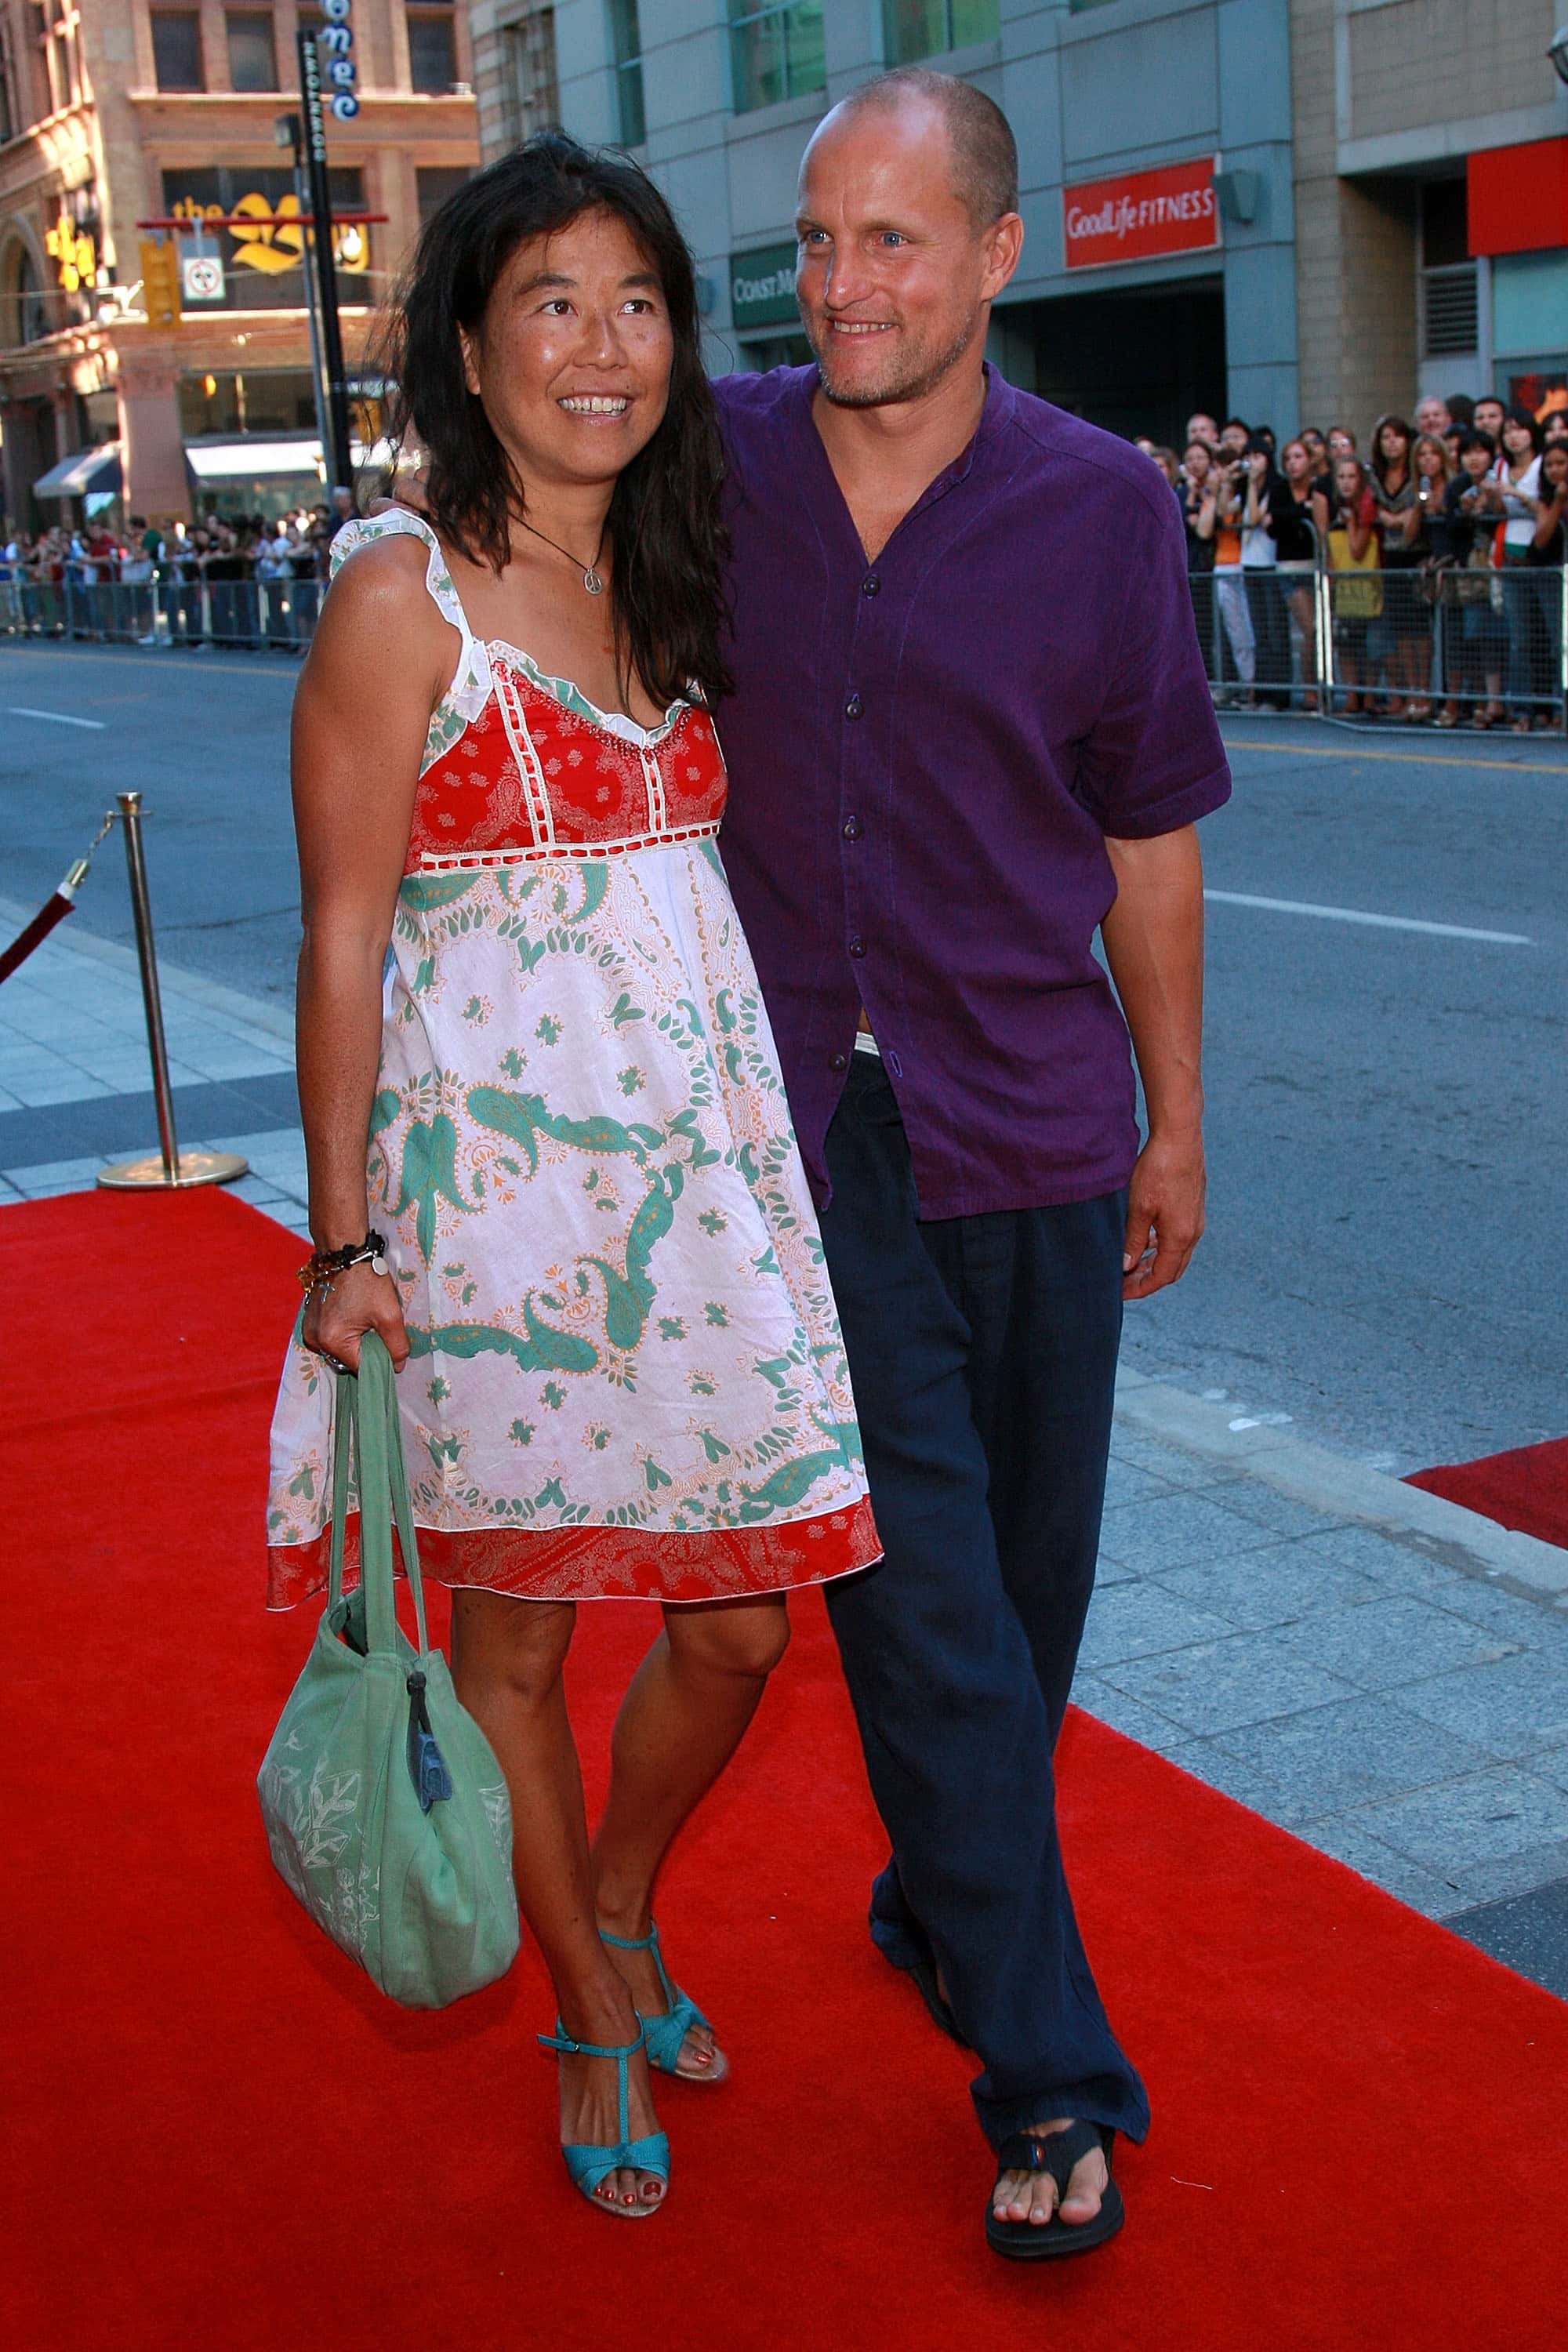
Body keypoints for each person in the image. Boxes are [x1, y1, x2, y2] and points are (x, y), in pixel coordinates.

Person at [267, 134, 879, 2223]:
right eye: (552, 303)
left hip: (696, 1207)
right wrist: (341, 1243)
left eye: (639, 303)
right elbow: (343, 935)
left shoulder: (674, 561)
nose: (602, 348)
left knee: (743, 1638)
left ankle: (607, 1899)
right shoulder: (396, 596)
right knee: (514, 1658)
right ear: (469, 340)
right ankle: (594, 2010)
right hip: (503, 1226)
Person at [713, 67, 1229, 2259]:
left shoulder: (1106, 507)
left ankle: (940, 1893)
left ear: (998, 256)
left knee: (1026, 1598)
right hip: (804, 1132)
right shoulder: (716, 460)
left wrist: (1174, 1111)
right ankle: (1051, 2086)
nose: (844, 285)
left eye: (893, 241)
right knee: (924, 1606)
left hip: (1027, 1112)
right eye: (821, 241)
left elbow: (1145, 838)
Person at [1437, 429, 1506, 727]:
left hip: (1498, 564)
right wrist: (1465, 513)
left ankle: (1494, 702)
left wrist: (1489, 505)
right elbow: (1450, 526)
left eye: (1480, 452)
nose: (1474, 458)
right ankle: (1478, 701)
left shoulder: (1499, 484)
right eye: (1467, 453)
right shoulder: (1456, 487)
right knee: (1473, 634)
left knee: (1493, 636)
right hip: (1468, 570)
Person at [1367, 414, 1428, 719]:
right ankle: (1410, 692)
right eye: (1385, 437)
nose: (1391, 442)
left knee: (1421, 629)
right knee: (1401, 629)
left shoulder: (1419, 474)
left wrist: (1413, 511)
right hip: (1389, 556)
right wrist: (1386, 516)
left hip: (1417, 554)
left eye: (1397, 436)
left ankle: (1426, 694)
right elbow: (1368, 503)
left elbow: (1427, 497)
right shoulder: (1374, 476)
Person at [1494, 405, 1548, 730]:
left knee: (1553, 638)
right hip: (1511, 558)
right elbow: (1496, 506)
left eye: (1520, 428)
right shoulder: (1501, 467)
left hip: (1542, 558)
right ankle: (1523, 709)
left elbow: (1546, 503)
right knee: (1520, 639)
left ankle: (1554, 705)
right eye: (1508, 430)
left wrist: (1519, 495)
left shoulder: (1543, 465)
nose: (1514, 436)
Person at [1271, 437, 1327, 707]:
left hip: (1317, 565)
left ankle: (1323, 685)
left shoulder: (1319, 488)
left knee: (1324, 631)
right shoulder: (1280, 490)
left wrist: (1291, 515)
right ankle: (1309, 690)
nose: (1293, 464)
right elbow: (1273, 525)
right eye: (1288, 459)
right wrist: (1300, 511)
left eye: (1298, 457)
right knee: (1311, 629)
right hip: (1290, 568)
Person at [1326, 451, 1379, 715]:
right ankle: (1351, 696)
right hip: (1342, 586)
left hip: (1367, 585)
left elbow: (1358, 549)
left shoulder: (1366, 506)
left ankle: (1369, 698)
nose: (1346, 482)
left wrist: (1349, 524)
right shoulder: (1334, 507)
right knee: (1345, 643)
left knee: (1368, 644)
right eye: (1341, 477)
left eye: (1352, 476)